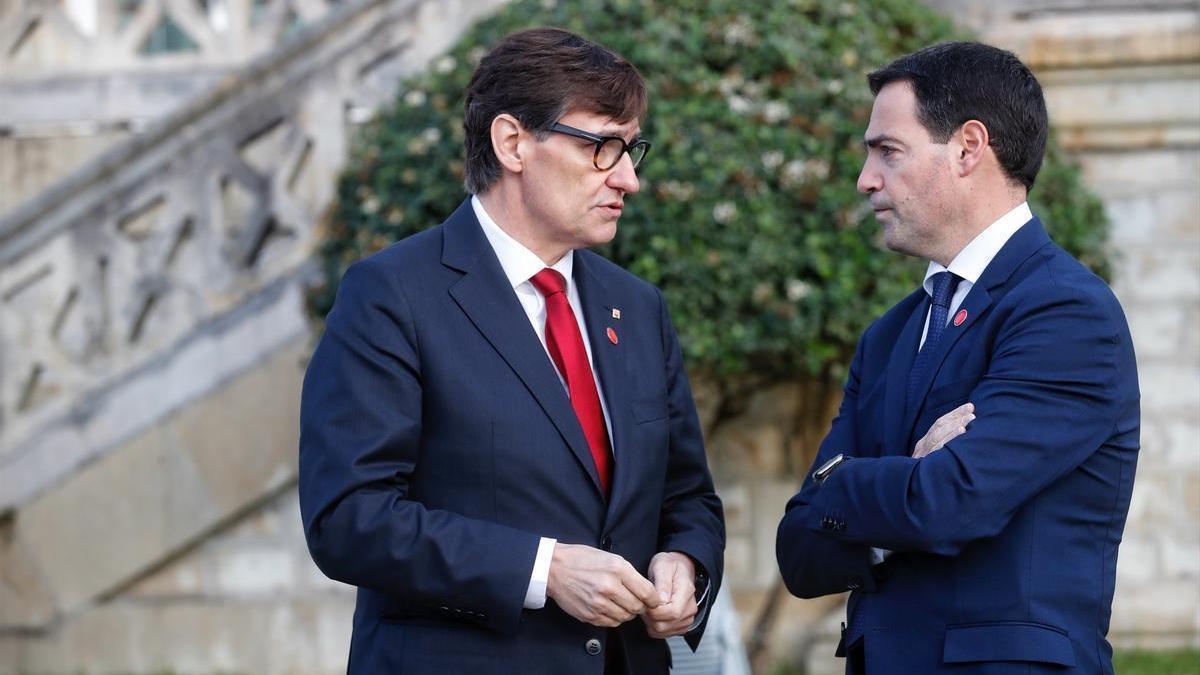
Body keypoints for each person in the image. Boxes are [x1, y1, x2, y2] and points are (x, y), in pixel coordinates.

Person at [298, 27, 725, 675]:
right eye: (604, 148)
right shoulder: (392, 294)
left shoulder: (636, 307)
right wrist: (543, 568)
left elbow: (687, 496)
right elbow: (349, 516)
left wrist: (684, 562)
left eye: (633, 148)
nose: (630, 179)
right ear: (512, 142)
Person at [776, 41, 1139, 675]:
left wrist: (840, 483)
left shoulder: (1065, 311)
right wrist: (907, 478)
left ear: (969, 148)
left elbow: (950, 503)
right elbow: (799, 550)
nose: (866, 179)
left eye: (888, 151)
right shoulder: (888, 336)